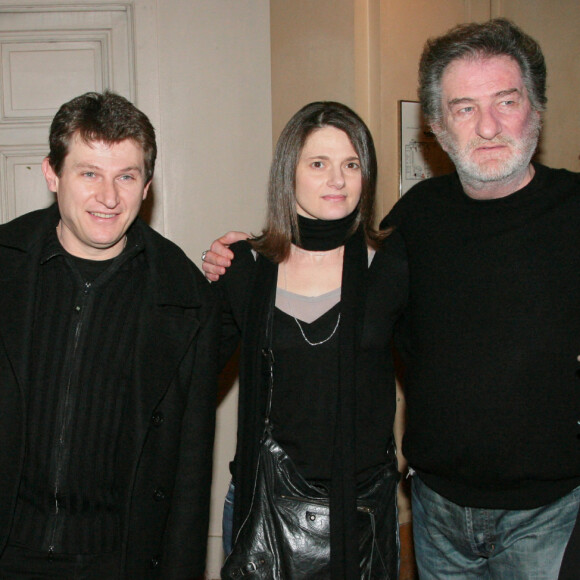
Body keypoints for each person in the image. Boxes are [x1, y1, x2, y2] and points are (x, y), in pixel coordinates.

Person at [203, 18, 580, 580]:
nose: (489, 126)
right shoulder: (414, 223)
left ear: (537, 107)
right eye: (465, 107)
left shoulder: (573, 208)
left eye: (506, 100)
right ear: (437, 125)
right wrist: (232, 261)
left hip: (547, 516)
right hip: (434, 513)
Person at [0, 91, 220, 579]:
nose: (109, 197)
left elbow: (189, 471)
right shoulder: (4, 266)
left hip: (118, 561)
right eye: (89, 173)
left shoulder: (185, 297)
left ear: (147, 186)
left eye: (126, 176)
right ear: (51, 173)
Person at [215, 101, 408, 578]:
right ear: (289, 173)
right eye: (318, 164)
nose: (337, 180)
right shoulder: (243, 267)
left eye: (351, 164)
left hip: (360, 513)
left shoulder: (392, 267)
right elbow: (185, 374)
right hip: (263, 508)